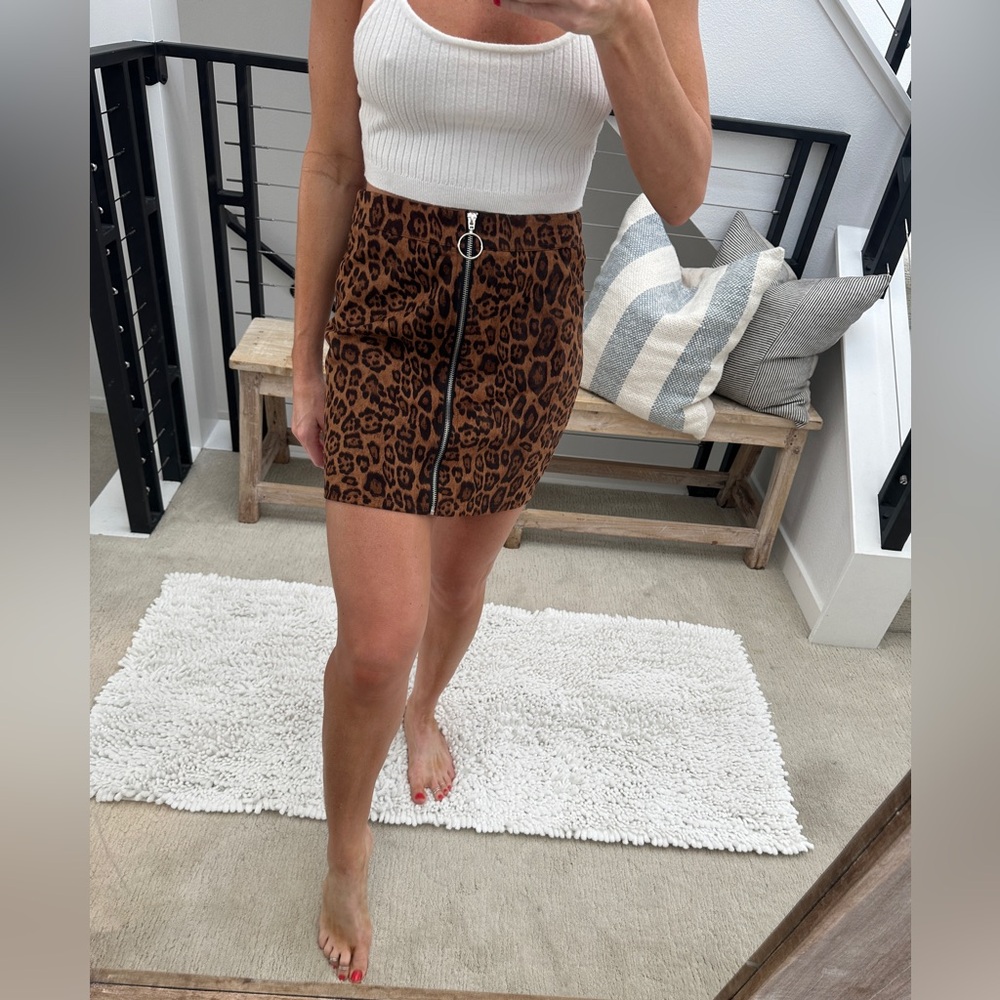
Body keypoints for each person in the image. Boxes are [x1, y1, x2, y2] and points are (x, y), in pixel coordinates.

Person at [291, 0, 711, 984]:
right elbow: (332, 159)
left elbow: (681, 190)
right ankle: (347, 852)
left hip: (526, 328)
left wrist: (620, 23)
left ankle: (426, 708)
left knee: (457, 585)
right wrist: (305, 362)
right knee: (375, 644)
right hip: (384, 310)